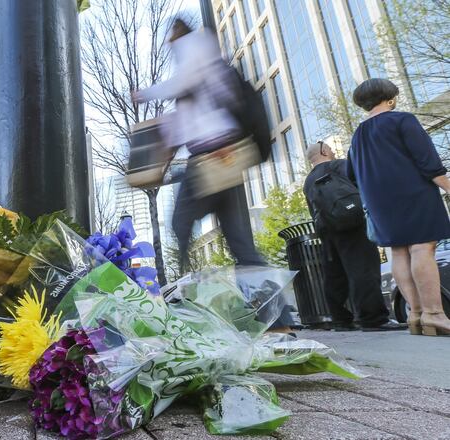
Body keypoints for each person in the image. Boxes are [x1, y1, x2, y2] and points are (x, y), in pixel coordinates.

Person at [133, 20, 294, 333]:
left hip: (211, 158)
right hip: (226, 159)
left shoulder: (195, 51)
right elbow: (182, 125)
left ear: (178, 36)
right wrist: (161, 162)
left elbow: (184, 86)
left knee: (180, 224)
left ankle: (181, 304)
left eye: (171, 39)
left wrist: (145, 94)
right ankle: (278, 321)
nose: (170, 46)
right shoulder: (203, 77)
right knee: (241, 244)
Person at [348, 78, 450, 336]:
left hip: (379, 200)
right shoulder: (402, 119)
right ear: (390, 99)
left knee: (400, 252)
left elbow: (350, 173)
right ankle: (435, 314)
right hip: (412, 192)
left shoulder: (358, 134)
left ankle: (415, 315)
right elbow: (428, 161)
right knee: (422, 247)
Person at [303, 142, 404, 331]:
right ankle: (373, 319)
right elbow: (365, 184)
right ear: (324, 151)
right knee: (364, 269)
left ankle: (341, 320)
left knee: (335, 275)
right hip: (352, 223)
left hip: (326, 229)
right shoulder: (339, 165)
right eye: (330, 150)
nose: (332, 152)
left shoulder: (308, 181)